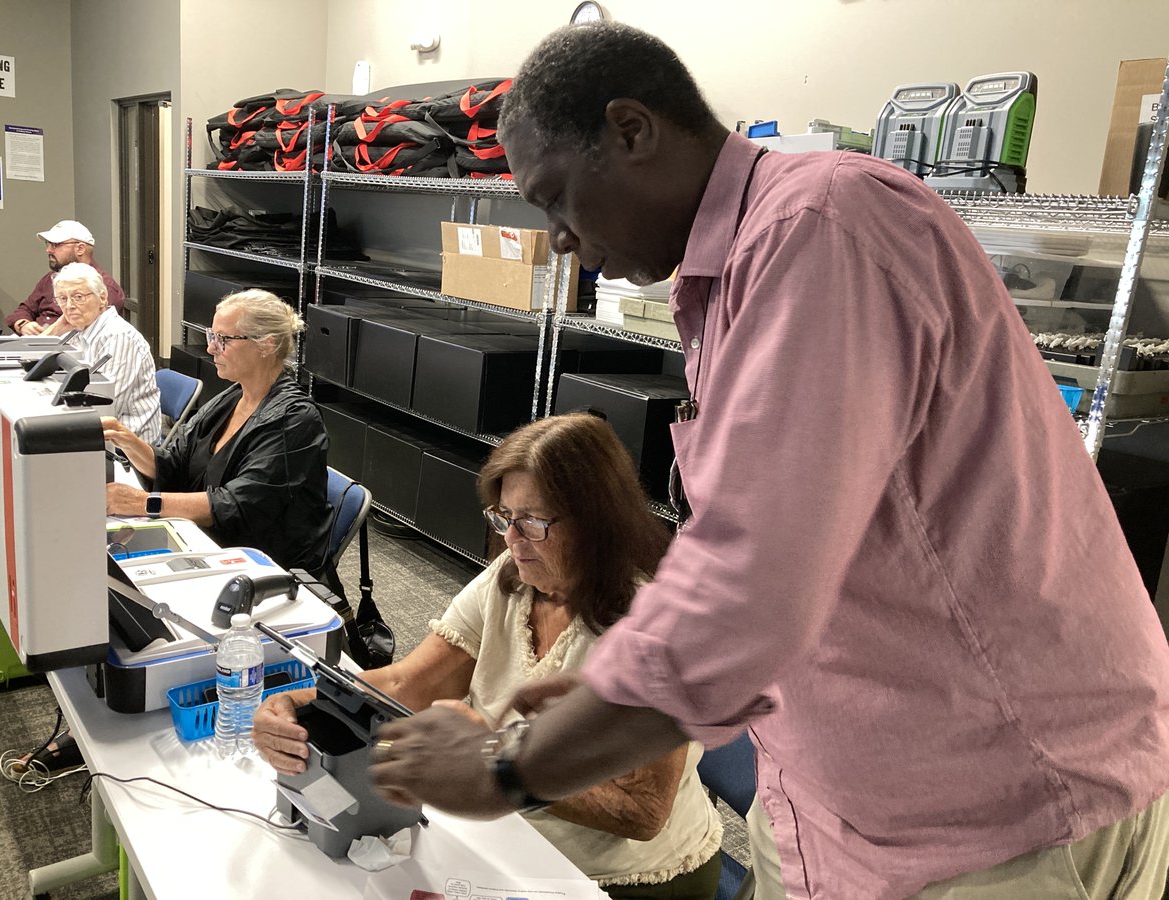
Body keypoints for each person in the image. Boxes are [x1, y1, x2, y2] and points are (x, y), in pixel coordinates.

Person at [368, 22, 1169, 900]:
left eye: (556, 198)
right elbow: (769, 544)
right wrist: (610, 697)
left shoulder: (820, 226)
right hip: (846, 802)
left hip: (995, 811)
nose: (558, 239)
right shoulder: (723, 273)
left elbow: (752, 571)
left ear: (632, 130)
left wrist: (509, 769)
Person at [252, 413, 724, 899]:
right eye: (504, 517)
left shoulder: (649, 623)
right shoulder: (515, 579)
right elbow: (407, 684)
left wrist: (499, 760)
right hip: (512, 834)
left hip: (620, 877)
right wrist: (301, 705)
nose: (511, 538)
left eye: (534, 521)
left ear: (596, 521)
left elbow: (644, 813)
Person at [103, 289, 333, 577]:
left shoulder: (296, 419)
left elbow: (236, 506)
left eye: (223, 339)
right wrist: (128, 441)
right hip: (212, 543)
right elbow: (177, 463)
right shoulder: (232, 397)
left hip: (265, 568)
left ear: (267, 345)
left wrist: (141, 502)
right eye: (213, 336)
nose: (211, 348)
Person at [51, 262, 160, 445]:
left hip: (126, 448)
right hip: (96, 429)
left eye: (78, 297)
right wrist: (57, 327)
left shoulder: (119, 337)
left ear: (102, 297)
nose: (69, 306)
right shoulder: (81, 329)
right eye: (62, 298)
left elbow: (108, 405)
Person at [6, 219, 125, 335]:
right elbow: (25, 309)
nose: (48, 250)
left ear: (80, 249)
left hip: (63, 349)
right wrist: (23, 325)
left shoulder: (103, 287)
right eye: (48, 244)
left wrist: (42, 340)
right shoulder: (51, 278)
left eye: (56, 245)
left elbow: (80, 329)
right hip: (35, 343)